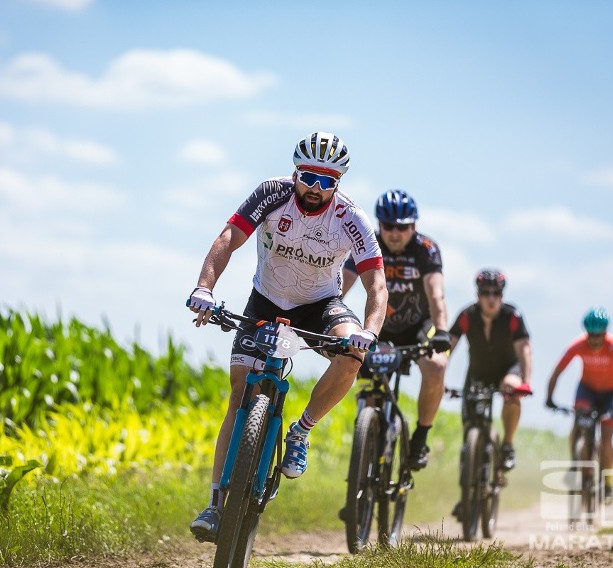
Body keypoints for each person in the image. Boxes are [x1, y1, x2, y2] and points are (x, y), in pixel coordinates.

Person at [186, 131, 388, 543]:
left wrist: (369, 331)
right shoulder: (271, 194)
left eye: (326, 181)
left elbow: (376, 284)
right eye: (307, 177)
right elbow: (229, 237)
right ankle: (214, 504)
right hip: (265, 300)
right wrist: (205, 288)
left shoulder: (352, 218)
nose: (314, 188)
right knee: (239, 390)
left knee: (351, 356)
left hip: (320, 304)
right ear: (295, 172)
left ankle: (301, 431)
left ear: (339, 182)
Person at [342, 189, 451, 471]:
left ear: (414, 225)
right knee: (363, 383)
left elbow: (436, 294)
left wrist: (441, 331)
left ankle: (420, 438)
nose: (394, 233)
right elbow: (341, 283)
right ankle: (363, 457)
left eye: (402, 227)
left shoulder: (425, 248)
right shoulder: (368, 243)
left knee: (437, 366)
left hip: (419, 326)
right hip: (377, 327)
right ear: (379, 225)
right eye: (388, 226)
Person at [447, 269, 532, 520]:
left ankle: (506, 446)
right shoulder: (466, 315)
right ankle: (468, 495)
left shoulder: (512, 316)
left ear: (502, 295)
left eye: (496, 293)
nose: (491, 298)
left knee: (510, 387)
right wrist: (437, 374)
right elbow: (447, 347)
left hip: (508, 371)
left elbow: (525, 350)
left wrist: (525, 381)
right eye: (486, 293)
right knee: (469, 432)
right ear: (478, 294)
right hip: (477, 374)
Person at [545, 307, 613, 504]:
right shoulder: (578, 345)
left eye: (599, 336)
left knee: (606, 439)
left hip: (611, 394)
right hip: (586, 390)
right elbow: (557, 370)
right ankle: (576, 461)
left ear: (605, 333)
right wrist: (549, 397)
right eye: (591, 336)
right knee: (578, 422)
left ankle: (608, 482)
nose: (594, 340)